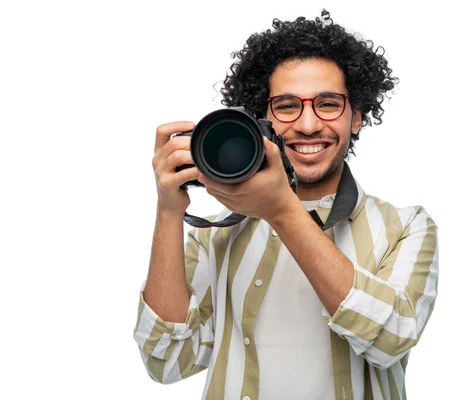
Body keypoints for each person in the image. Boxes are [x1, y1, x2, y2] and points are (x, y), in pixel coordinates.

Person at [133, 9, 439, 400]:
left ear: (357, 117)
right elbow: (168, 361)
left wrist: (281, 210)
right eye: (288, 105)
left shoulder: (407, 226)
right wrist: (168, 211)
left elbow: (391, 339)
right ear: (263, 119)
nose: (308, 125)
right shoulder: (214, 238)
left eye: (328, 104)